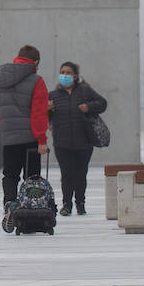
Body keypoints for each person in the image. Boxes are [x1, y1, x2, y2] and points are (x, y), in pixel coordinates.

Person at [0, 44, 50, 212]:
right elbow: (39, 112)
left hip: (9, 138)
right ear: (36, 62)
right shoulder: (37, 81)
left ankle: (9, 205)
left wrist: (5, 125)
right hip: (30, 138)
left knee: (10, 175)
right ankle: (31, 210)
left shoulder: (1, 80)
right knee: (31, 177)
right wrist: (41, 139)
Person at [47, 61, 107, 216]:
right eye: (62, 72)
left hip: (84, 141)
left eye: (68, 72)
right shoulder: (53, 95)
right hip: (62, 142)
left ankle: (80, 203)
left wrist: (89, 107)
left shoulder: (85, 91)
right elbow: (45, 117)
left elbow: (102, 103)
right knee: (66, 175)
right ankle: (66, 205)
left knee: (81, 174)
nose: (65, 75)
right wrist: (47, 110)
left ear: (75, 76)